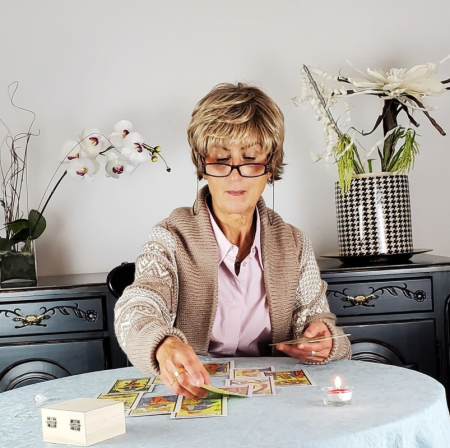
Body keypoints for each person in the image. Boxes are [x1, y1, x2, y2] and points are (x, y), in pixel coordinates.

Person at [114, 82, 351, 399]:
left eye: (250, 159)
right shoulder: (170, 237)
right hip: (194, 394)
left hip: (275, 398)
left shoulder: (294, 244)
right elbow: (137, 306)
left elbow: (321, 325)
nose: (234, 175)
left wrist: (324, 341)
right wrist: (162, 343)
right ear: (203, 166)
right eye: (221, 160)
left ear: (271, 166)